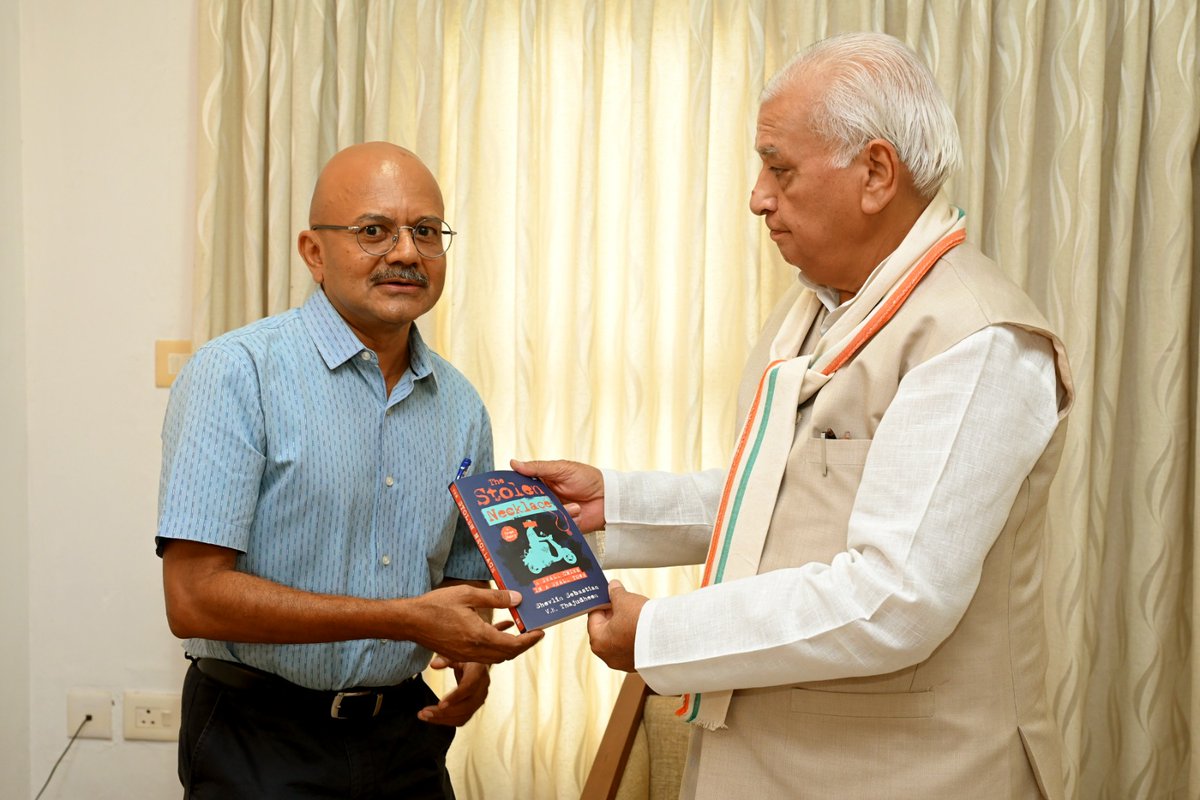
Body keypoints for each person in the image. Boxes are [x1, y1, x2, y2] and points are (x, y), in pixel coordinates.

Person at [516, 32, 1074, 799]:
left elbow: (895, 600)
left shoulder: (978, 339)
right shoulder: (817, 309)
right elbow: (788, 495)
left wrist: (659, 633)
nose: (757, 197)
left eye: (779, 168)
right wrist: (619, 504)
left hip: (904, 776)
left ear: (876, 172)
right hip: (772, 764)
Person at [157, 141, 543, 799]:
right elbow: (193, 598)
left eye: (426, 232)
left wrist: (468, 650)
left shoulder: (461, 405)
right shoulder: (236, 375)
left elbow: (457, 583)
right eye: (374, 231)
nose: (406, 252)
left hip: (406, 738)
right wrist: (406, 619)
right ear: (314, 252)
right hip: (260, 739)